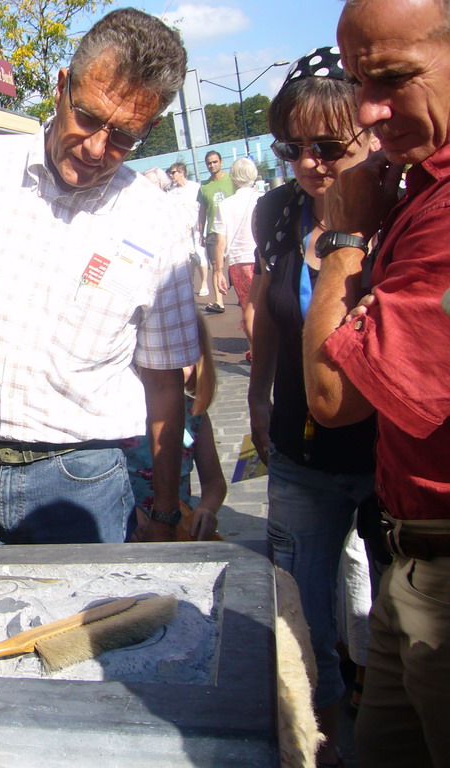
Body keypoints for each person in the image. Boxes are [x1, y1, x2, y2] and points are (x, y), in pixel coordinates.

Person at [0, 8, 199, 546]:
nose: (98, 149)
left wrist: (166, 511)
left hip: (84, 484)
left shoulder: (155, 220)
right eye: (89, 118)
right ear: (61, 87)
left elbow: (166, 381)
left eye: (124, 137)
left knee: (83, 631)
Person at [301, 2, 450, 765]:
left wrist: (347, 242)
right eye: (360, 81)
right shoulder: (423, 186)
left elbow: (332, 396)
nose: (369, 111)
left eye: (393, 79)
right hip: (410, 559)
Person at [249, 46, 380, 768]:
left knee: (389, 623)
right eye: (291, 147)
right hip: (302, 462)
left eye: (328, 146)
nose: (308, 163)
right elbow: (270, 308)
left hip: (388, 461)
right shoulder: (279, 210)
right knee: (299, 623)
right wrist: (256, 391)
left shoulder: (402, 210)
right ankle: (320, 749)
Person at [124, 314, 225, 541]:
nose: (173, 366)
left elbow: (214, 482)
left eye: (184, 357)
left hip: (175, 526)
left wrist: (207, 509)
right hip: (128, 527)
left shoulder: (195, 415)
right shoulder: (122, 412)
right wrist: (130, 512)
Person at [212, 157, 261, 351]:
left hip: (237, 263)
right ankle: (272, 350)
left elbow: (220, 241)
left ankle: (255, 350)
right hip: (261, 259)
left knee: (246, 307)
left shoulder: (224, 205)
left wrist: (218, 271)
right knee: (266, 306)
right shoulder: (263, 198)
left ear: (233, 178)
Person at [197, 150, 234, 313]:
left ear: (221, 162)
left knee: (235, 264)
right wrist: (201, 231)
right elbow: (203, 210)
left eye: (214, 162)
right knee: (216, 266)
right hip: (213, 230)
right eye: (209, 163)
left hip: (232, 228)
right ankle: (219, 302)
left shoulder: (231, 180)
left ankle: (243, 295)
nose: (212, 165)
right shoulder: (204, 187)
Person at [169, 160, 210, 296]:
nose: (171, 175)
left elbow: (202, 207)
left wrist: (200, 224)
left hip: (197, 228)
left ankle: (204, 283)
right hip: (182, 231)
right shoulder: (172, 192)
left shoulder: (195, 187)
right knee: (186, 259)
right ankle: (190, 285)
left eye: (173, 172)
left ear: (182, 173)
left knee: (200, 256)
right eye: (170, 172)